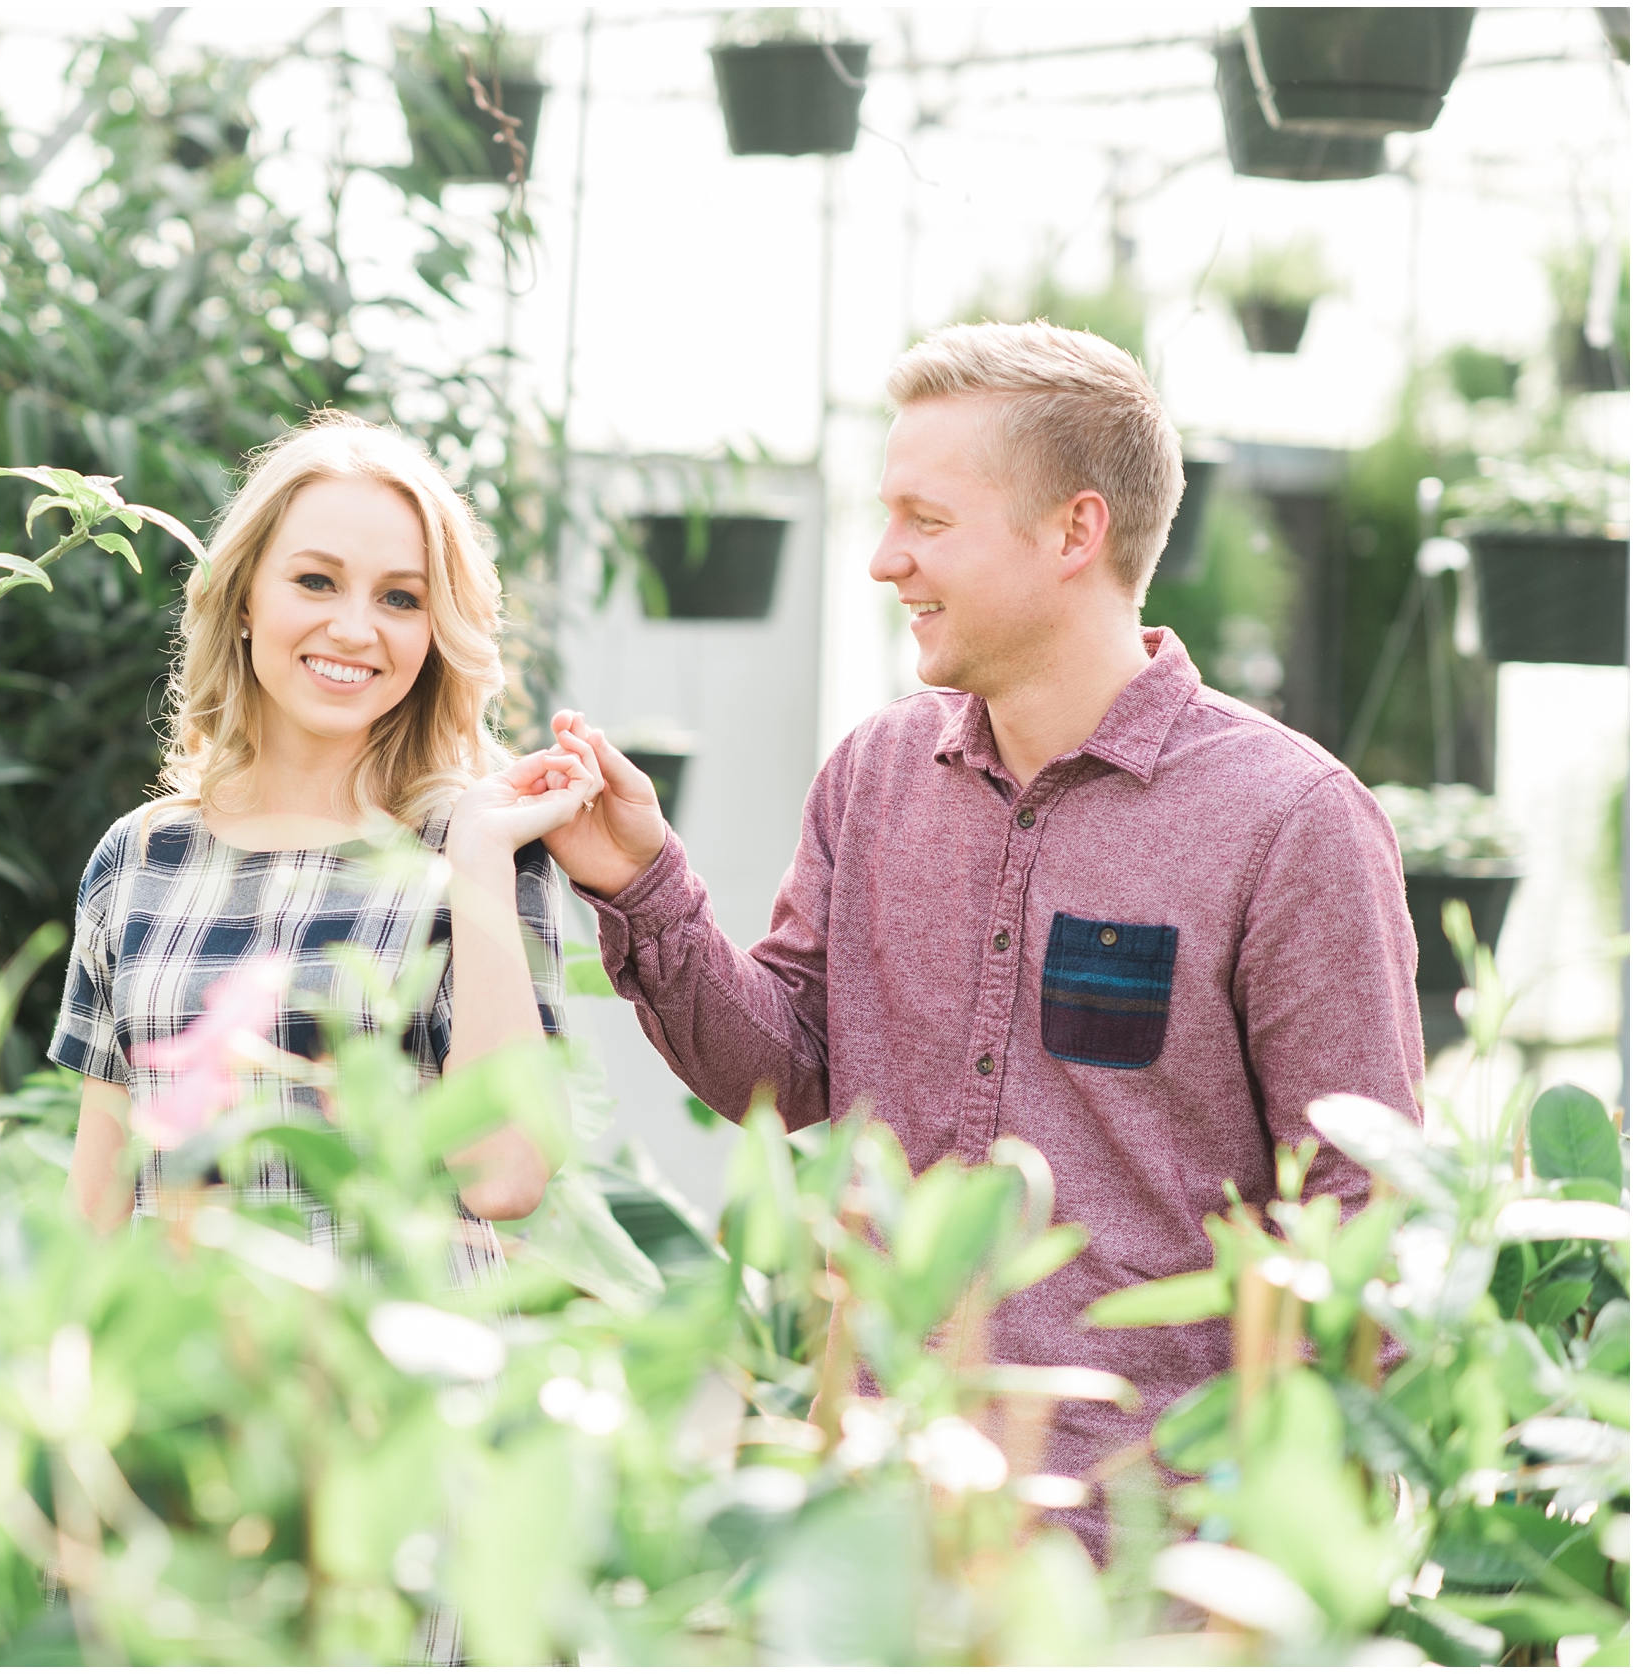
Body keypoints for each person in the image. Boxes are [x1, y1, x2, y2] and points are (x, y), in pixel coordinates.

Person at [541, 322, 1426, 1536]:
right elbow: (789, 1074)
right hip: (884, 1511)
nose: (883, 560)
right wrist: (642, 881)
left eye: (926, 519)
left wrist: (1292, 1553)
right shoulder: (874, 777)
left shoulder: (1290, 823)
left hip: (1148, 1554)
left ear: (1074, 532)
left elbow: (1354, 1208)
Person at [51, 411, 600, 1277]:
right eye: (315, 581)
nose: (354, 628)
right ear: (242, 600)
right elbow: (96, 1208)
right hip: (183, 1392)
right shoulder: (138, 860)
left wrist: (481, 860)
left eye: (400, 598)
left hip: (396, 1395)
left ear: (434, 633)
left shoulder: (477, 850)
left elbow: (506, 1176)